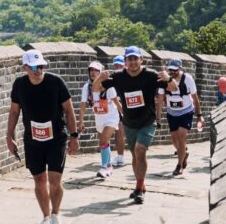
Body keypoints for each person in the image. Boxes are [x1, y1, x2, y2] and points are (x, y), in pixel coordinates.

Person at [6, 48, 78, 224]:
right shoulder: (20, 85)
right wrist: (9, 135)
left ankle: (56, 216)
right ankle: (45, 217)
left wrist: (74, 136)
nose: (38, 70)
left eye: (41, 66)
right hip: (33, 139)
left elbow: (69, 110)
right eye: (34, 67)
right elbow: (14, 111)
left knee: (54, 181)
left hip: (56, 139)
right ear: (25, 68)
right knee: (39, 181)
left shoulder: (56, 83)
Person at [107, 45, 168, 204]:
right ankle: (139, 184)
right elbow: (97, 87)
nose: (133, 62)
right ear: (125, 61)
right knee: (135, 155)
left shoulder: (151, 75)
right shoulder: (118, 77)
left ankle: (139, 189)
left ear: (142, 59)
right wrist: (100, 78)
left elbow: (173, 88)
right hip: (129, 122)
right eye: (130, 59)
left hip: (147, 121)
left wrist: (168, 78)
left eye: (136, 58)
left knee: (140, 151)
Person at [84, 62, 123, 178]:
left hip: (112, 118)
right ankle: (109, 165)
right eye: (91, 70)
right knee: (104, 143)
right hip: (100, 119)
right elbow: (95, 88)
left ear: (101, 71)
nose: (93, 72)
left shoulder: (109, 87)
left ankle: (104, 167)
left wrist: (128, 116)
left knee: (104, 139)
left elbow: (117, 103)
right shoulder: (90, 87)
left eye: (96, 70)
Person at [161, 61, 198, 177]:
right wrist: (157, 117)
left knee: (182, 137)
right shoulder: (164, 80)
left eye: (174, 70)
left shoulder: (188, 79)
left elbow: (195, 98)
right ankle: (184, 154)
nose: (172, 72)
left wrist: (199, 114)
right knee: (174, 139)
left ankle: (179, 165)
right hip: (172, 112)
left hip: (186, 111)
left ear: (180, 69)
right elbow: (160, 98)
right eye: (170, 70)